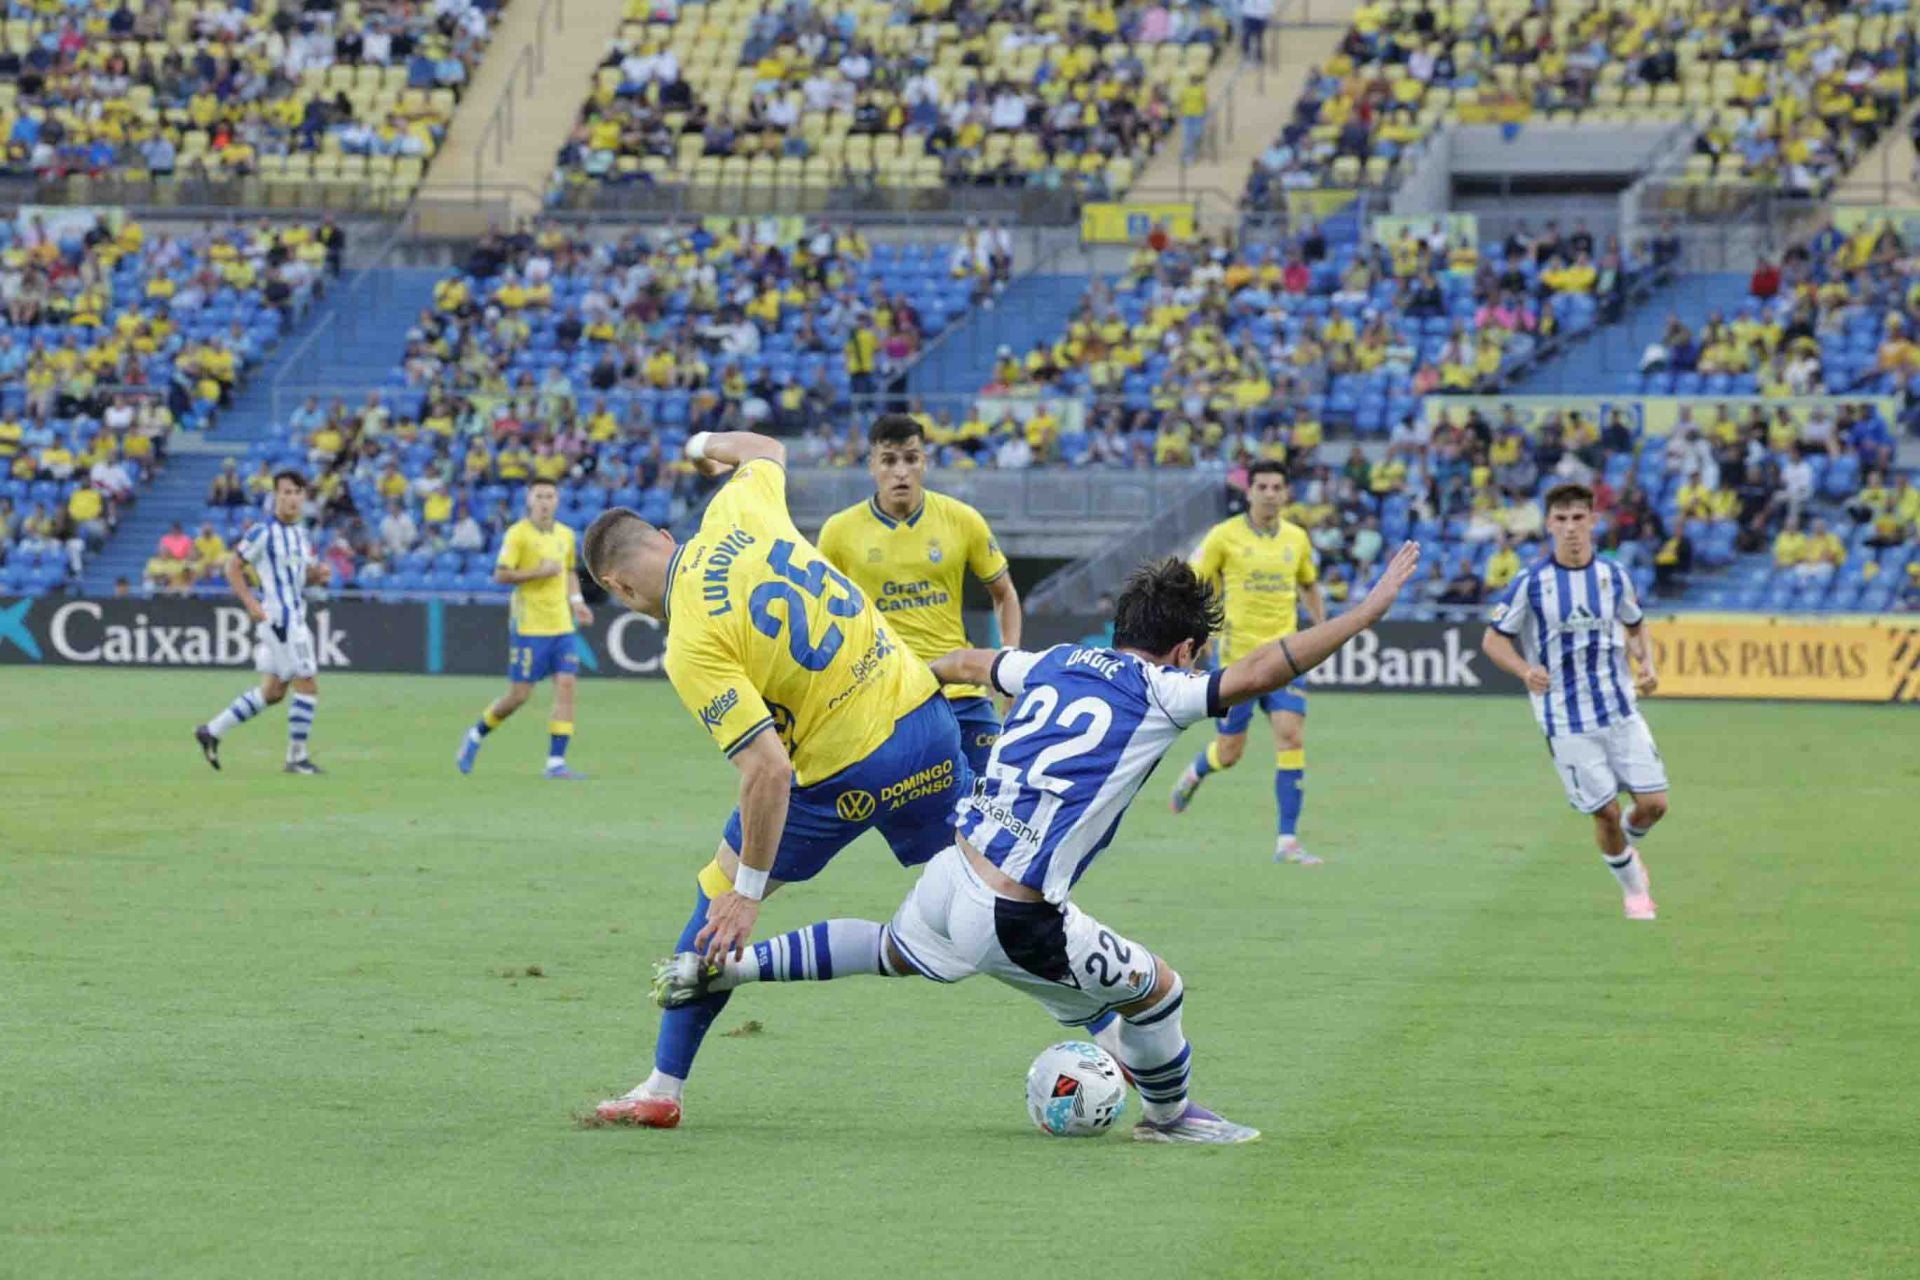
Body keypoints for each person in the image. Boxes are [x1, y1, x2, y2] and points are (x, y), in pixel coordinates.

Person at [649, 544, 1425, 1143]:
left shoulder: (1051, 661)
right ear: (1186, 651)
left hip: (956, 867)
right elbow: (1262, 670)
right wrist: (1365, 611)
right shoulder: (1165, 689)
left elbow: (964, 663)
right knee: (1158, 990)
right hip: (1014, 912)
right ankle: (1173, 1118)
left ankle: (727, 966)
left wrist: (884, 682)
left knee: (901, 948)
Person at [579, 430, 978, 1130]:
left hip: (845, 769)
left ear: (617, 586)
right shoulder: (736, 509)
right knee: (990, 894)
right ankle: (1126, 1027)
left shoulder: (688, 641)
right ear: (666, 536)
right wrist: (702, 442)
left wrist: (748, 896)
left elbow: (767, 770)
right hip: (924, 720)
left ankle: (662, 1087)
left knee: (714, 904)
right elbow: (764, 446)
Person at [1480, 483, 1670, 920]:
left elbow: (1636, 624)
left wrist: (1648, 664)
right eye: (1561, 519)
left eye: (1578, 518)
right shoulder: (1530, 584)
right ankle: (1634, 894)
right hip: (1566, 720)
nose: (1570, 529)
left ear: (1593, 522)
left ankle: (1623, 849)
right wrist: (1525, 671)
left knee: (1654, 805)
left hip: (1620, 710)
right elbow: (1493, 640)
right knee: (1604, 812)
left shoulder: (1613, 576)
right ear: (1548, 524)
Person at [817, 414, 1022, 778]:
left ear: (924, 462)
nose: (901, 472)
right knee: (916, 821)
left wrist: (1007, 662)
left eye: (911, 458)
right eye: (889, 460)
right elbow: (821, 618)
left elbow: (1004, 593)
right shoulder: (838, 533)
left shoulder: (962, 520)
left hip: (962, 695)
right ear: (872, 466)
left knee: (998, 799)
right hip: (887, 700)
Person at [1168, 459, 1327, 864]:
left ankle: (1287, 841)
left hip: (1286, 658)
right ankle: (1197, 770)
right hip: (1238, 661)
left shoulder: (1297, 539)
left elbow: (1308, 584)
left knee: (1291, 737)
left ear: (1287, 492)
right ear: (1249, 492)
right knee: (1230, 752)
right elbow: (1193, 582)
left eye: (1278, 486)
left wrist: (1323, 632)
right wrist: (1195, 633)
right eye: (1263, 487)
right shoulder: (1223, 537)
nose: (1271, 493)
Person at [193, 472, 331, 774]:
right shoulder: (263, 532)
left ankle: (212, 731)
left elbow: (299, 575)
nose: (292, 498)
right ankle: (296, 758)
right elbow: (233, 566)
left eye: (297, 492)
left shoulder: (299, 533)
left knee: (273, 692)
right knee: (307, 685)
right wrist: (251, 604)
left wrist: (316, 574)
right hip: (280, 620)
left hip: (295, 614)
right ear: (275, 496)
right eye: (286, 492)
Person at [456, 478, 593, 779]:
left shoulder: (566, 536)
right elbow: (500, 575)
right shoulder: (517, 535)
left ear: (557, 501)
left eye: (550, 496)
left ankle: (555, 763)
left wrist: (576, 601)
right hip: (530, 626)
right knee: (519, 695)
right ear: (530, 501)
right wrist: (537, 572)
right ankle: (476, 735)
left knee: (567, 686)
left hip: (561, 625)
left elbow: (569, 571)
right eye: (539, 496)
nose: (545, 501)